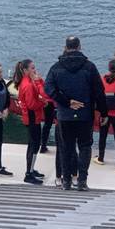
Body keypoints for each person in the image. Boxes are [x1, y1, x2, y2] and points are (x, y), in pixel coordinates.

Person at [44, 36, 107, 191]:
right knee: (85, 146)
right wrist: (104, 112)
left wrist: (66, 102)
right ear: (80, 46)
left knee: (66, 147)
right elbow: (99, 91)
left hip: (65, 114)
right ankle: (82, 181)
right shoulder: (89, 67)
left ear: (65, 47)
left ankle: (66, 182)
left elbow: (48, 88)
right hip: (85, 114)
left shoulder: (56, 67)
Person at [13, 59, 46, 185]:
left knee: (33, 144)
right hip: (32, 117)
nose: (35, 70)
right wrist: (43, 102)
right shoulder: (27, 85)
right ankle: (28, 173)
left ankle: (31, 170)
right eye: (32, 68)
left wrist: (39, 80)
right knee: (34, 145)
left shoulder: (27, 81)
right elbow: (32, 104)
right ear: (25, 70)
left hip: (31, 117)